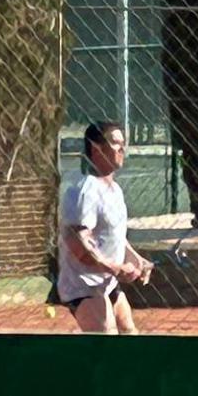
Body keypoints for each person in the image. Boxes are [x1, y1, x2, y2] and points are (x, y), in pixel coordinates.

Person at [57, 121, 152, 334]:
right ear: (96, 147)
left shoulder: (115, 190)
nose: (122, 149)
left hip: (107, 282)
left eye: (123, 143)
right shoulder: (84, 192)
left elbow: (115, 236)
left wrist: (136, 259)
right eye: (115, 143)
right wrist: (115, 268)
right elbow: (78, 245)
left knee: (129, 333)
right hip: (83, 286)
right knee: (107, 340)